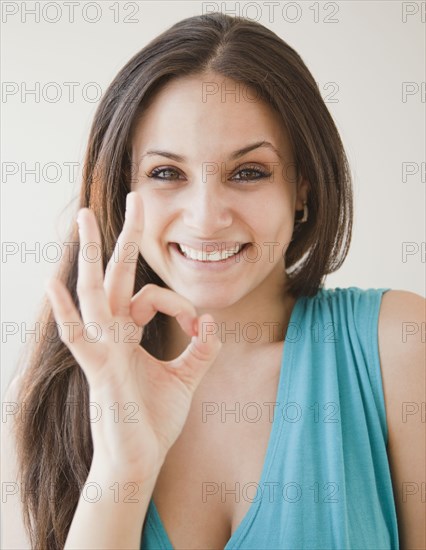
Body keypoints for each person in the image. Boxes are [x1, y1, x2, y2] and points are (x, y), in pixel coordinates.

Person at [2, 11, 424, 550]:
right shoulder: (42, 404)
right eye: (165, 173)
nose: (205, 217)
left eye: (248, 172)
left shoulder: (400, 348)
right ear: (120, 188)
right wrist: (120, 469)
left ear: (303, 189)